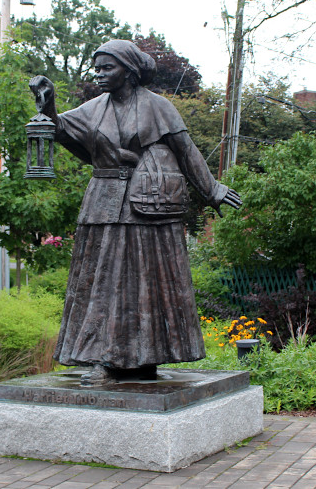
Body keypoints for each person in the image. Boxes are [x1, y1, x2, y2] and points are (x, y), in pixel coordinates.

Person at [29, 39, 242, 386]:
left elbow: (185, 150)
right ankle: (106, 359)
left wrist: (212, 189)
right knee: (104, 283)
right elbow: (60, 129)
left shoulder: (158, 107)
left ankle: (144, 357)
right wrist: (48, 104)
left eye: (106, 68)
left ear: (128, 71)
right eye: (96, 68)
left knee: (148, 285)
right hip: (103, 204)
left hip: (149, 207)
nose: (98, 74)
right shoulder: (94, 108)